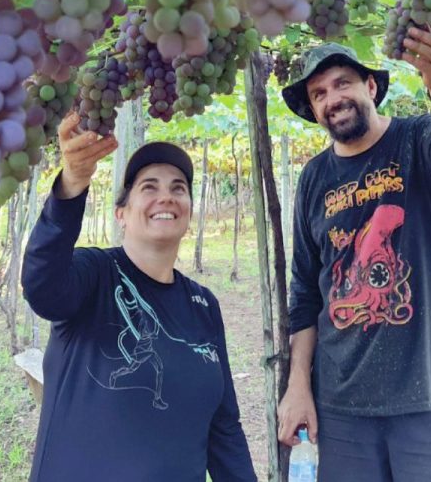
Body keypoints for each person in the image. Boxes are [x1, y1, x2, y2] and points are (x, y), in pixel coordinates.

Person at [276, 25, 431, 482]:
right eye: (318, 93)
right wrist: (298, 386)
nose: (332, 98)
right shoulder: (313, 179)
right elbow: (305, 293)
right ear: (313, 110)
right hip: (342, 406)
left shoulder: (415, 141)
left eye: (342, 83)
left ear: (370, 86)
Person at [22, 111, 257, 482]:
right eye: (149, 187)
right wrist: (71, 186)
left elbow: (224, 427)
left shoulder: (203, 305)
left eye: (178, 188)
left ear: (189, 211)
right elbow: (42, 289)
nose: (166, 196)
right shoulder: (94, 274)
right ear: (122, 214)